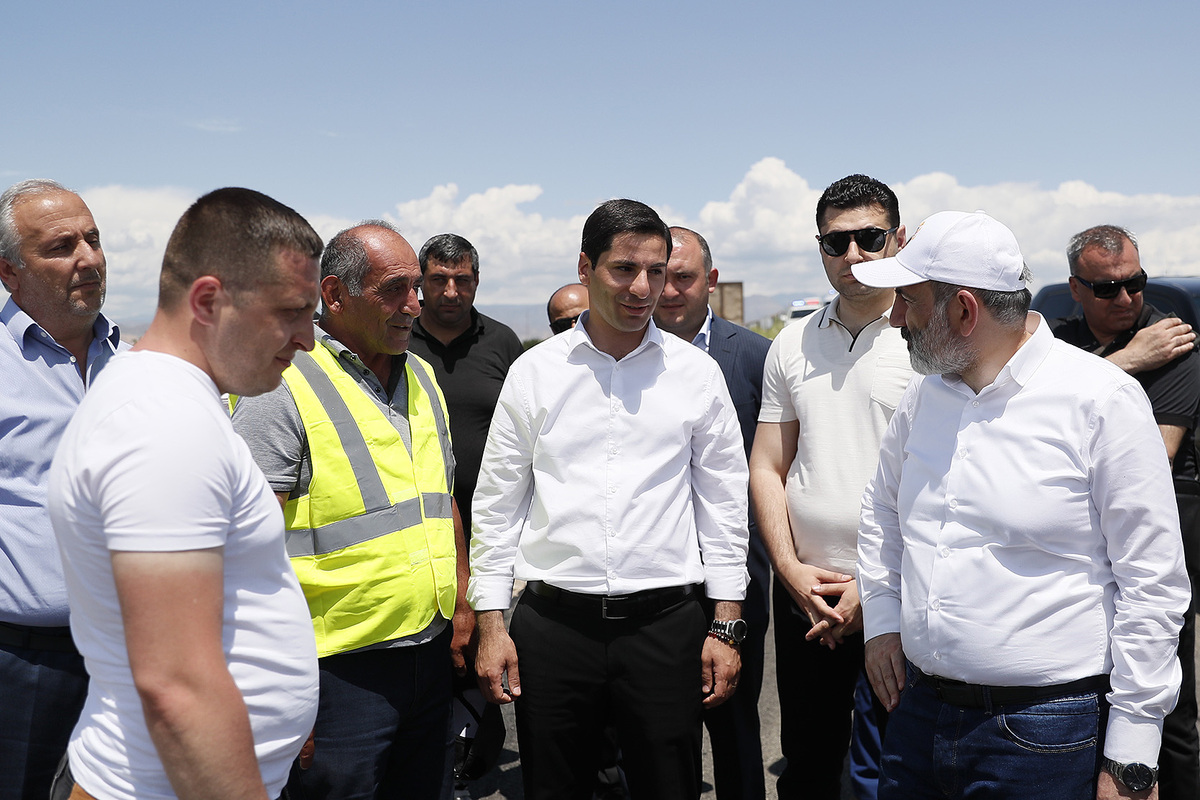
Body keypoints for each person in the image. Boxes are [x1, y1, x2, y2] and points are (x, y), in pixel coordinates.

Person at [855, 210, 1190, 800]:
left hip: (1046, 735)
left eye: (907, 301)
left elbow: (1152, 582)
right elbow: (882, 514)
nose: (896, 319)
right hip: (917, 716)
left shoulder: (1101, 400)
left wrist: (1133, 754)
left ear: (964, 310)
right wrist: (882, 624)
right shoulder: (922, 398)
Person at [46, 187, 324, 800]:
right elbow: (175, 686)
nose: (308, 338)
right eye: (291, 311)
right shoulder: (162, 421)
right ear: (207, 301)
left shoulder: (175, 403)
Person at [470, 199, 749, 800]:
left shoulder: (696, 374)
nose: (643, 288)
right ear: (585, 267)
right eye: (624, 268)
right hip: (554, 628)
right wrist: (492, 623)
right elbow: (497, 506)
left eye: (656, 270)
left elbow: (724, 506)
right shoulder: (534, 373)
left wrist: (726, 625)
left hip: (666, 628)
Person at [231, 220, 472, 800]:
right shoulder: (280, 381)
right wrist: (275, 686)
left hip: (428, 652)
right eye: (394, 289)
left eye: (416, 287)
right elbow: (242, 551)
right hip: (334, 672)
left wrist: (462, 604)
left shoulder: (422, 377)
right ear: (334, 295)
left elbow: (442, 501)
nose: (415, 305)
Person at [748, 174, 908, 800]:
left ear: (897, 238)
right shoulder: (792, 342)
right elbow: (767, 466)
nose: (853, 255)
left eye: (869, 238)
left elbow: (946, 481)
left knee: (891, 772)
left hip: (897, 594)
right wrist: (790, 571)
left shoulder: (928, 337)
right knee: (808, 766)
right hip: (807, 598)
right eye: (835, 242)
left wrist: (873, 585)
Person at [1051, 225, 1200, 800]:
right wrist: (1129, 360)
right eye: (1106, 288)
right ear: (1076, 290)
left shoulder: (1172, 343)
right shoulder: (1059, 343)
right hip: (1072, 552)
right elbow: (1019, 412)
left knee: (1168, 708)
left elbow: (1150, 462)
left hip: (1147, 550)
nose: (1126, 298)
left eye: (1135, 283)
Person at [0, 179, 125, 800]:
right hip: (25, 666)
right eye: (60, 247)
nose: (88, 258)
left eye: (93, 240)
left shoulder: (130, 364)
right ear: (9, 271)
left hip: (130, 656)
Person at [655, 225, 770, 800]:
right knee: (657, 729)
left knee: (736, 722)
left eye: (684, 277)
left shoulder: (754, 357)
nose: (669, 290)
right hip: (656, 577)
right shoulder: (625, 357)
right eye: (661, 277)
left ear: (711, 281)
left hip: (738, 571)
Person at [405, 233, 522, 798]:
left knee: (489, 642)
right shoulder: (398, 338)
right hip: (419, 526)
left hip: (496, 525)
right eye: (439, 280)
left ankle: (480, 739)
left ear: (477, 281)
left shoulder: (502, 342)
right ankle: (445, 749)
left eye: (463, 280)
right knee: (434, 646)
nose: (451, 292)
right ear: (420, 283)